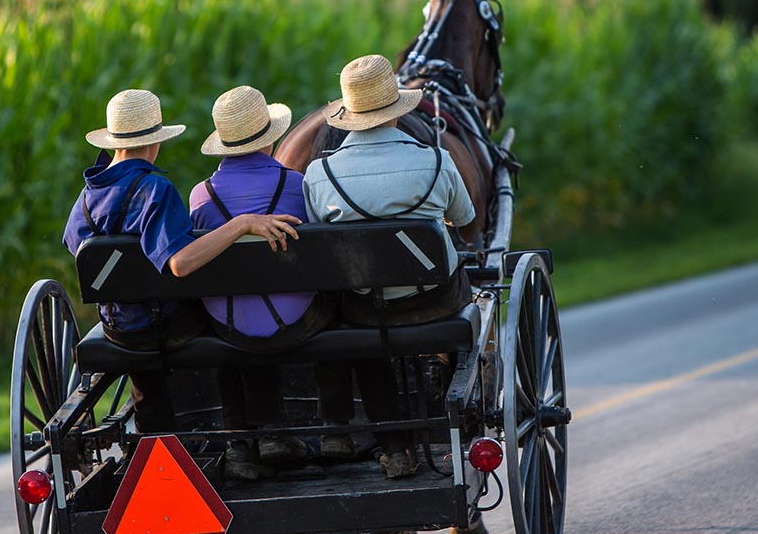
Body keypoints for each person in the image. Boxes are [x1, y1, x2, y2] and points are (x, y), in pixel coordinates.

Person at [63, 88, 300, 433]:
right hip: (166, 326)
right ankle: (243, 433)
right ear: (154, 141)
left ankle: (162, 436)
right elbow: (180, 263)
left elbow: (75, 245)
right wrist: (241, 224)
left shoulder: (87, 196)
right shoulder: (154, 190)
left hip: (119, 327)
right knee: (221, 318)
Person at [302, 55, 477, 480]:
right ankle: (457, 403)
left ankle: (396, 449)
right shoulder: (436, 160)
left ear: (347, 116)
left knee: (362, 328)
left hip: (366, 305)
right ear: (399, 109)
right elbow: (465, 221)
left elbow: (317, 240)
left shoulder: (320, 173)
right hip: (436, 301)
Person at [189, 86, 335, 479]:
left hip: (231, 323)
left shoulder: (201, 197)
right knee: (335, 303)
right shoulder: (296, 184)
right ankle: (336, 426)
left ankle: (245, 442)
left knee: (232, 316)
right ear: (270, 137)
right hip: (296, 320)